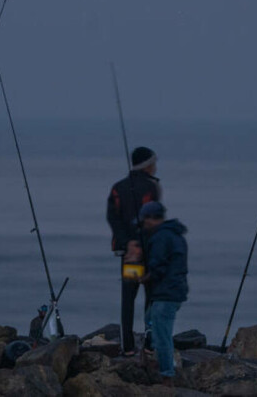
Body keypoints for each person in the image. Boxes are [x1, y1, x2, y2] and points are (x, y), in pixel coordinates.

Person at [106, 146, 162, 356]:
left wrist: (127, 242)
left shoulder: (118, 187)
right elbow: (154, 221)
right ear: (147, 165)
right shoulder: (152, 188)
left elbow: (113, 218)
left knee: (128, 298)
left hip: (130, 255)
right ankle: (149, 343)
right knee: (151, 297)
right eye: (153, 163)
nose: (155, 167)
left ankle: (128, 346)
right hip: (149, 253)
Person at [139, 201, 188, 385]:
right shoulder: (175, 235)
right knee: (149, 318)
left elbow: (158, 266)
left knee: (162, 335)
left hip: (166, 293)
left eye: (145, 221)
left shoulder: (160, 237)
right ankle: (151, 353)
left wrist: (144, 277)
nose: (144, 225)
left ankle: (167, 374)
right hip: (175, 291)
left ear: (153, 219)